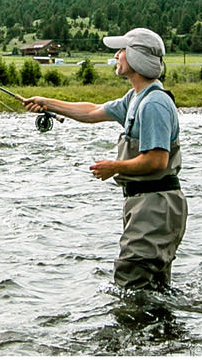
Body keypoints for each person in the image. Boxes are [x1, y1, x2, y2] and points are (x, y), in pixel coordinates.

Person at [23, 28, 188, 292]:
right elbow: (92, 111)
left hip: (155, 205)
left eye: (122, 50)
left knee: (132, 278)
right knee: (149, 285)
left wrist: (115, 167)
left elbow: (157, 160)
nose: (117, 55)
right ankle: (160, 332)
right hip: (146, 204)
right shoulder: (136, 98)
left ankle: (142, 331)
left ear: (136, 57)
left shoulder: (154, 104)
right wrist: (48, 103)